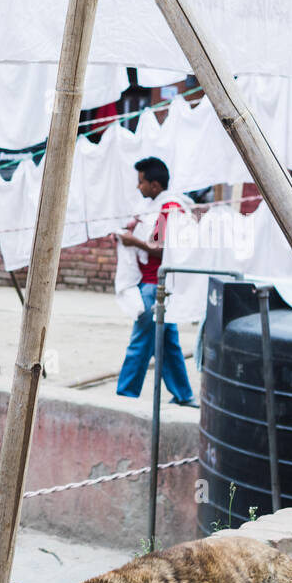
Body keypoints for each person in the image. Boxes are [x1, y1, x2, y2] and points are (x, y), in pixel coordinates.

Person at [110, 157, 198, 407]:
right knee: (168, 346)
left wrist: (132, 241)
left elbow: (164, 249)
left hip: (155, 286)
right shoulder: (159, 207)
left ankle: (125, 396)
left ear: (155, 185)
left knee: (140, 344)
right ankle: (183, 395)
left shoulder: (168, 208)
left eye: (142, 183)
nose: (139, 188)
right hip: (158, 286)